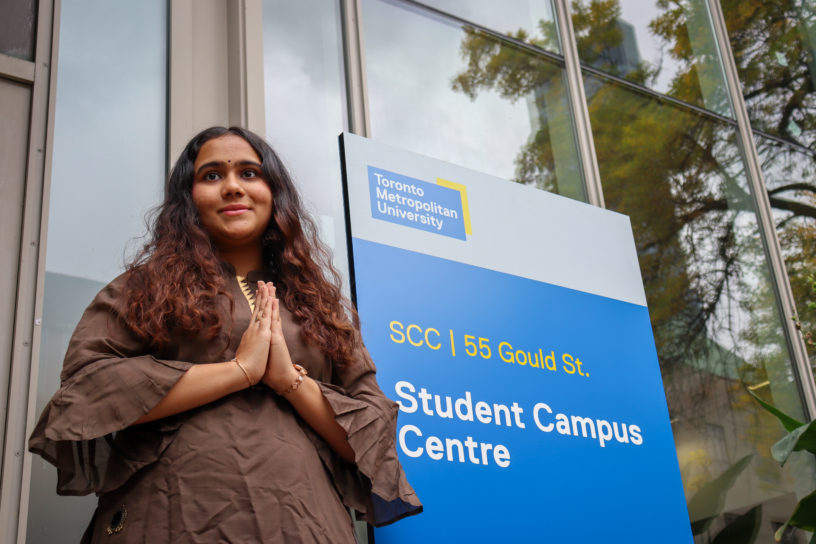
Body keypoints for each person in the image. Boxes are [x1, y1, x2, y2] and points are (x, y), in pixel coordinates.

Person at [29, 126, 422, 542]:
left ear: (275, 193)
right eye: (212, 175)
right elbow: (89, 388)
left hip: (304, 524)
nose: (233, 186)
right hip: (168, 519)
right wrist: (239, 371)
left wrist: (288, 380)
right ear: (188, 198)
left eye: (249, 173)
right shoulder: (144, 289)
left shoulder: (319, 308)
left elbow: (373, 433)